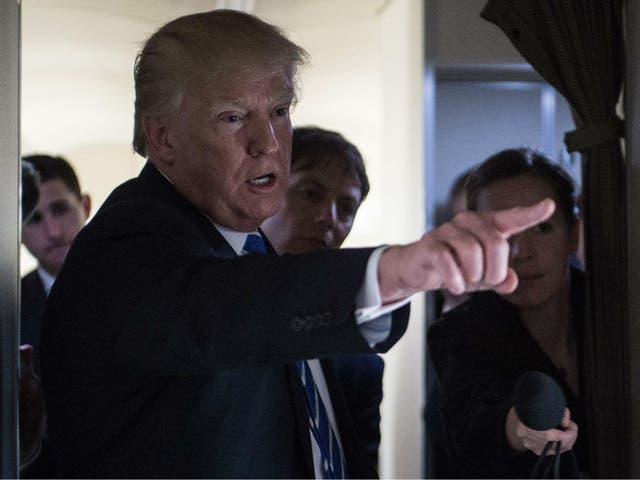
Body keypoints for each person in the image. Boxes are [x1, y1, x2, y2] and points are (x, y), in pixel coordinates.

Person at [40, 10, 555, 479]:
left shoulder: (249, 246)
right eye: (233, 117)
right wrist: (395, 269)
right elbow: (222, 309)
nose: (268, 143)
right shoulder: (129, 239)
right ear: (164, 138)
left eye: (280, 111)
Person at [428, 148, 586, 478]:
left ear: (572, 234)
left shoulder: (615, 310)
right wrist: (518, 427)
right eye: (502, 233)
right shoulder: (462, 331)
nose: (521, 253)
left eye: (541, 229)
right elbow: (469, 424)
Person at [262, 125, 384, 468]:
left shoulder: (360, 358)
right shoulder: (212, 310)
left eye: (346, 207)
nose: (329, 219)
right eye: (310, 194)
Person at [20, 154, 91, 364]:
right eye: (34, 219)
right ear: (17, 233)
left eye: (59, 209)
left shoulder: (134, 282)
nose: (53, 232)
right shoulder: (9, 310)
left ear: (85, 207)